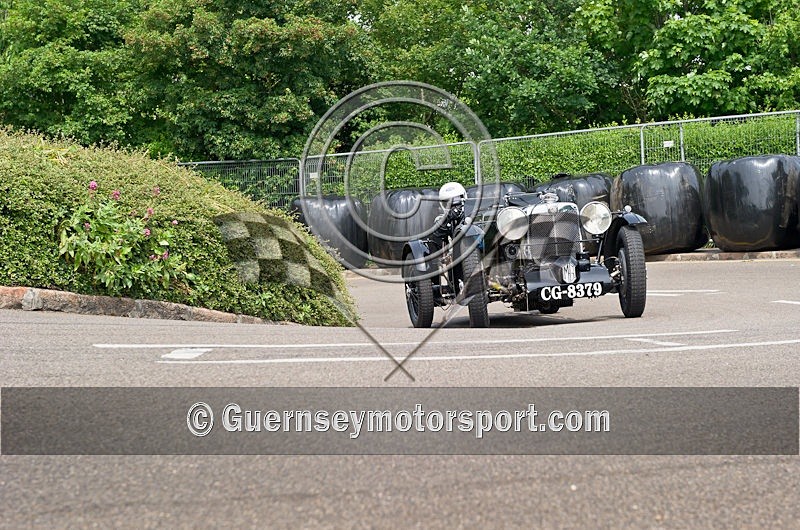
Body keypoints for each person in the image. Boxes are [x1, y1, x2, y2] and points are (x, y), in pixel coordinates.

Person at [431, 181, 467, 249]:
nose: (454, 207)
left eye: (457, 202)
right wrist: (448, 218)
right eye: (448, 202)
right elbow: (437, 238)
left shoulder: (470, 213)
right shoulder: (441, 219)